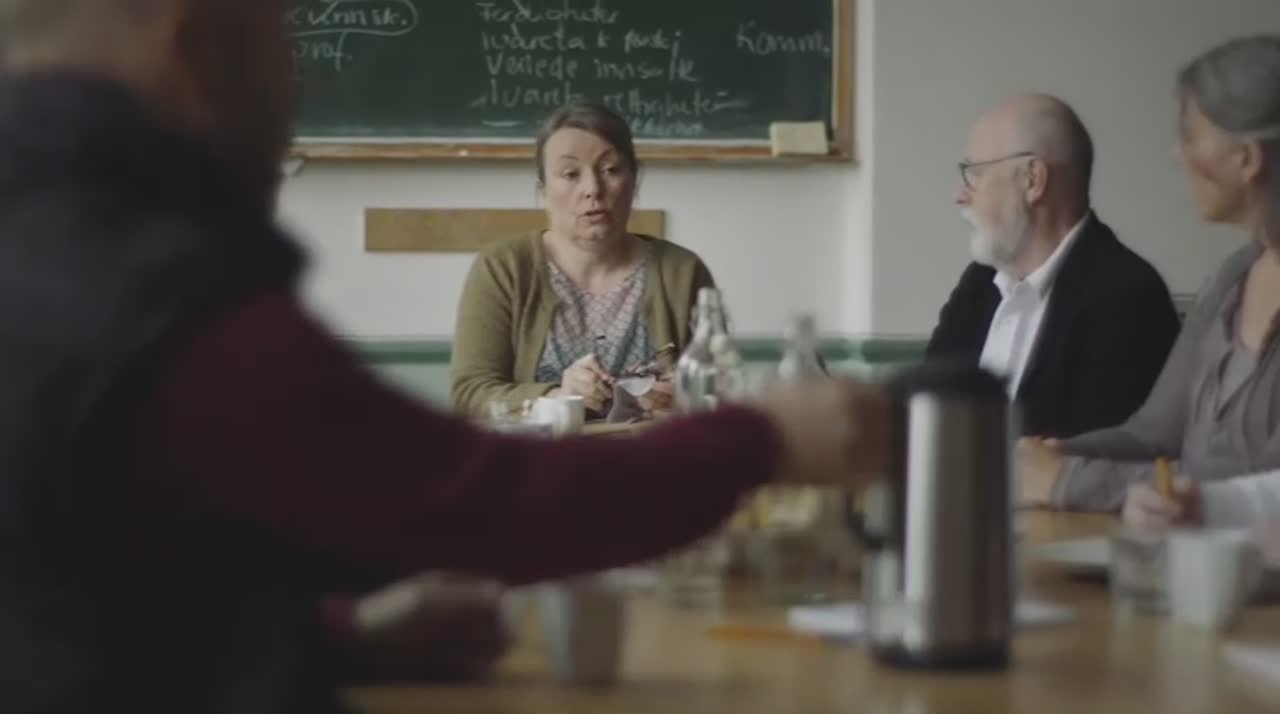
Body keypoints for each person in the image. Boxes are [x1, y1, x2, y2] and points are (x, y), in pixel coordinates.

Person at [0, 1, 889, 712]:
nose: (299, 80)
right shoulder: (154, 289)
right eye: (282, 44)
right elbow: (476, 502)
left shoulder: (59, 235)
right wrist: (763, 439)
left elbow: (85, 596)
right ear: (193, 48)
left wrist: (338, 640)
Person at [1019, 35, 1280, 512]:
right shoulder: (1233, 277)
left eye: (1191, 135)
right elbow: (1153, 435)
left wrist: (1067, 479)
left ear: (1247, 157)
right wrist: (1053, 454)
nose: (1178, 154)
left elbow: (1253, 487)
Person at [928, 94, 1180, 439]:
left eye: (975, 175)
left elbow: (1093, 454)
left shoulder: (1129, 298)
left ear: (1032, 179)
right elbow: (927, 404)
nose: (960, 195)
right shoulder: (980, 281)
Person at [450, 98, 712, 419]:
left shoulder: (683, 272)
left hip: (651, 449)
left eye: (611, 170)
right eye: (570, 173)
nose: (593, 189)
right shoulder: (503, 268)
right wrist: (556, 396)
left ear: (634, 181)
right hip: (540, 450)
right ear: (544, 191)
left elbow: (717, 392)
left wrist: (684, 396)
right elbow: (470, 394)